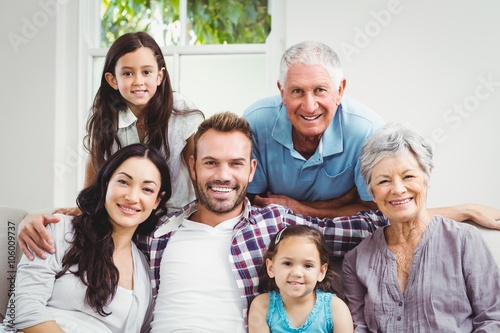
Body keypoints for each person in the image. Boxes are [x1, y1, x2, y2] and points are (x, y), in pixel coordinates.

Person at [18, 113, 500, 332]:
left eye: (234, 165)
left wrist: (459, 211)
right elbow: (118, 210)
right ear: (192, 168)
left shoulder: (277, 223)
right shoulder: (157, 225)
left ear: (251, 170)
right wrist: (43, 218)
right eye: (210, 164)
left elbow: (382, 220)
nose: (222, 175)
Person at [342, 123, 500, 332]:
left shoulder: (464, 240)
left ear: (428, 176)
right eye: (384, 181)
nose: (398, 189)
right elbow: (359, 328)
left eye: (408, 176)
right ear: (371, 191)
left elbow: (493, 318)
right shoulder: (356, 260)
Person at [3, 143, 171, 333]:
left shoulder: (144, 271)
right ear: (106, 182)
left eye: (147, 189)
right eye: (123, 182)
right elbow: (25, 311)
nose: (132, 197)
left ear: (157, 200)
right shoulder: (60, 229)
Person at [54, 31, 203, 216]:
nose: (138, 81)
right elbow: (94, 160)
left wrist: (203, 211)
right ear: (113, 80)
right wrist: (86, 208)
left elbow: (196, 164)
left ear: (159, 76)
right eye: (127, 73)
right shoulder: (106, 115)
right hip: (129, 214)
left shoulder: (180, 110)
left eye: (147, 72)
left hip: (176, 212)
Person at [243, 41, 384, 218]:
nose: (309, 107)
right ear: (282, 92)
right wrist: (339, 202)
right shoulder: (255, 123)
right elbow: (252, 203)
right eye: (297, 91)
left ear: (339, 90)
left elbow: (374, 211)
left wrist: (296, 208)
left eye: (320, 90)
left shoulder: (368, 131)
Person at [248, 225, 353, 333]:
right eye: (287, 263)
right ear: (271, 268)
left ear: (321, 272)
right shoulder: (262, 306)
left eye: (308, 265)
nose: (297, 273)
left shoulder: (336, 308)